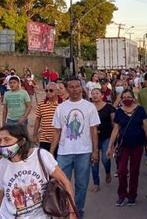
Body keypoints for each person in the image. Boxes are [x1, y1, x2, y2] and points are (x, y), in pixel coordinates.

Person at [0, 125, 77, 219]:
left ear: (21, 141)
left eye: (7, 139)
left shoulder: (40, 156)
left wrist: (72, 212)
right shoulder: (2, 165)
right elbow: (0, 198)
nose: (2, 144)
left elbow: (65, 182)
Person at [51, 77, 100, 218]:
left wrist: (95, 151)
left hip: (84, 152)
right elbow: (57, 132)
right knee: (60, 185)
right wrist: (50, 152)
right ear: (67, 89)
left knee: (81, 185)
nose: (74, 89)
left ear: (81, 88)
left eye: (77, 86)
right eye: (71, 87)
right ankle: (64, 211)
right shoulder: (61, 108)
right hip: (64, 152)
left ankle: (78, 212)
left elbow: (93, 130)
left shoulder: (89, 107)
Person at [107, 89, 147, 207]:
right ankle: (122, 195)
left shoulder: (140, 110)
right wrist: (110, 146)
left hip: (137, 145)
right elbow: (116, 129)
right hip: (123, 145)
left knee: (134, 171)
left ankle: (132, 195)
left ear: (133, 98)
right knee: (122, 171)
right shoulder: (119, 112)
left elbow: (146, 127)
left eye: (129, 96)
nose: (127, 99)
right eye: (124, 97)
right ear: (121, 99)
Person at [90, 88, 116, 192]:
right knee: (94, 160)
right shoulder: (89, 108)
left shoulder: (109, 107)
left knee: (105, 159)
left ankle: (108, 171)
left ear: (102, 95)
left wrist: (114, 139)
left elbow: (114, 124)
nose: (95, 95)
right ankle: (96, 183)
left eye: (97, 93)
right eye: (93, 94)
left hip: (106, 136)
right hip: (92, 137)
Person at [33, 82, 61, 153]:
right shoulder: (41, 104)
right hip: (44, 138)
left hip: (59, 139)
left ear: (57, 91)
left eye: (51, 90)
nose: (48, 92)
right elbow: (37, 119)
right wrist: (35, 134)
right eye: (46, 90)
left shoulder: (62, 104)